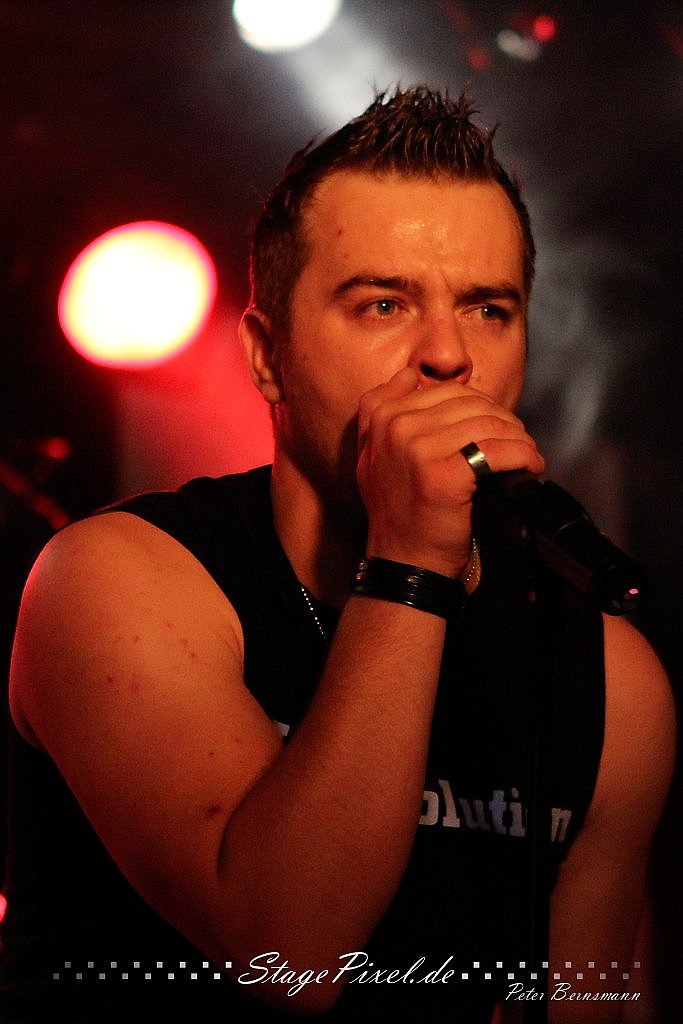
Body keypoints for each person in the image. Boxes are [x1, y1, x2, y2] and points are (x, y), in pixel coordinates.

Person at [0, 86, 675, 1023]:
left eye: (486, 309)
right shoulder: (117, 580)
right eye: (382, 304)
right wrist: (411, 564)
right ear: (266, 356)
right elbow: (286, 954)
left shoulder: (606, 673)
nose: (446, 356)